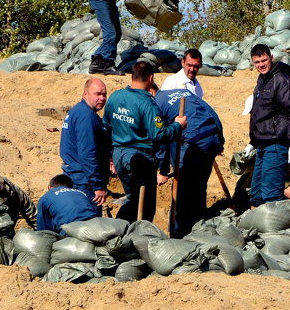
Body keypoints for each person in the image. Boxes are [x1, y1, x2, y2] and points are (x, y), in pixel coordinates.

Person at [104, 60, 186, 222]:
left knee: (132, 199)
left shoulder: (115, 97)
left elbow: (106, 127)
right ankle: (129, 234)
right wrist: (178, 125)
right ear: (151, 78)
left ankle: (120, 231)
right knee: (145, 207)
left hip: (119, 156)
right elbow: (159, 135)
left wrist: (110, 157)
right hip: (140, 160)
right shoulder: (148, 105)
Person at [156, 86, 225, 237]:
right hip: (211, 137)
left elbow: (162, 139)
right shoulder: (183, 91)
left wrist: (163, 171)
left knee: (182, 190)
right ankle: (199, 224)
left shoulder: (156, 103)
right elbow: (210, 111)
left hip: (194, 142)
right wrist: (220, 140)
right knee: (199, 185)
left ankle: (179, 233)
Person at [248, 44, 290, 208]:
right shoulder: (262, 80)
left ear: (271, 58)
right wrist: (252, 141)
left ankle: (276, 231)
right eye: (257, 62)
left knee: (271, 195)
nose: (261, 64)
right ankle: (260, 229)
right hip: (262, 145)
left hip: (276, 144)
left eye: (264, 60)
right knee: (256, 195)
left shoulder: (281, 81)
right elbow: (259, 113)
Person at [59, 77, 111, 208]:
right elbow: (88, 153)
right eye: (97, 94)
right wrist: (98, 186)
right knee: (89, 222)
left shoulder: (79, 111)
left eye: (104, 94)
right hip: (84, 181)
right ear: (85, 94)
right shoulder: (86, 116)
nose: (102, 98)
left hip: (75, 176)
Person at [36, 174, 100, 233]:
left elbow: (43, 228)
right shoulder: (81, 193)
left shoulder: (46, 197)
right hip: (96, 227)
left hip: (71, 231)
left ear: (50, 187)